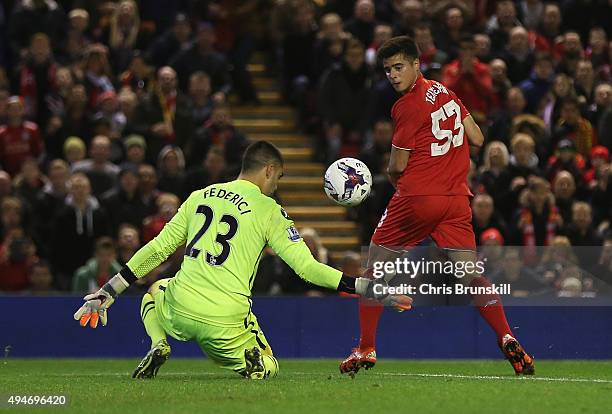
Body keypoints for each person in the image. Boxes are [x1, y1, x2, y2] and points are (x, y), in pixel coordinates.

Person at [73, 141, 411, 380]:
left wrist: (108, 291)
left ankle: (160, 343)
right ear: (268, 171)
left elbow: (159, 249)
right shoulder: (269, 211)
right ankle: (256, 363)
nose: (276, 186)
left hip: (180, 305)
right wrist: (370, 288)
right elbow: (308, 270)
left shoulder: (198, 196)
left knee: (155, 289)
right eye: (278, 178)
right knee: (270, 364)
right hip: (225, 320)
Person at [339, 36, 535, 377]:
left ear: (417, 64)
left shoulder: (405, 106)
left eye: (399, 67)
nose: (393, 75)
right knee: (471, 275)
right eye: (388, 70)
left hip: (417, 197)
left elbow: (398, 165)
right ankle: (506, 335)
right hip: (456, 200)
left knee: (374, 269)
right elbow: (477, 138)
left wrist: (393, 180)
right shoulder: (446, 91)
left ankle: (366, 347)